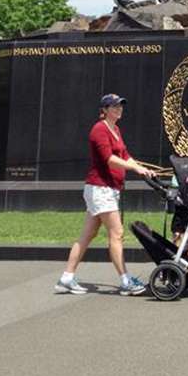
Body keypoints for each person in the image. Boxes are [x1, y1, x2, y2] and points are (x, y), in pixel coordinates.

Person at [54, 93, 159, 295]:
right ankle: (125, 281)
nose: (119, 109)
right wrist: (134, 169)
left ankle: (66, 278)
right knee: (117, 234)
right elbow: (109, 159)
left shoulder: (116, 129)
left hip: (107, 189)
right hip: (101, 189)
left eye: (120, 106)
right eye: (114, 106)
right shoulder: (99, 129)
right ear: (104, 110)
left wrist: (143, 168)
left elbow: (125, 155)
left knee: (87, 235)